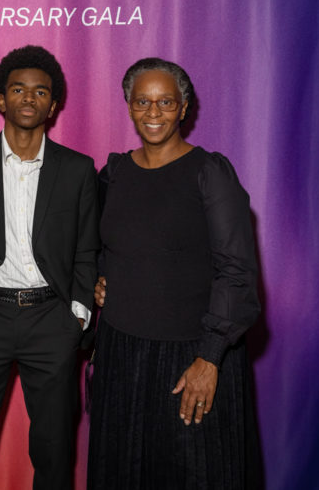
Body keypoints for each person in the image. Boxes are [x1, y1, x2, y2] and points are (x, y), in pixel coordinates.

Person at [88, 57, 262, 489]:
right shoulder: (113, 173)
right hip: (122, 354)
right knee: (124, 473)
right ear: (128, 105)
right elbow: (99, 243)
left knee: (193, 474)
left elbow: (237, 270)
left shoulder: (209, 173)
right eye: (142, 101)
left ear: (183, 108)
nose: (153, 113)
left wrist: (210, 357)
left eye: (165, 102)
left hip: (190, 356)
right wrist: (99, 276)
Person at [0, 44, 99, 490]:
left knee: (53, 448)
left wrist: (77, 315)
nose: (29, 98)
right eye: (18, 89)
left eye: (41, 91)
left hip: (52, 319)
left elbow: (87, 250)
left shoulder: (78, 170)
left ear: (54, 104)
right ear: (0, 99)